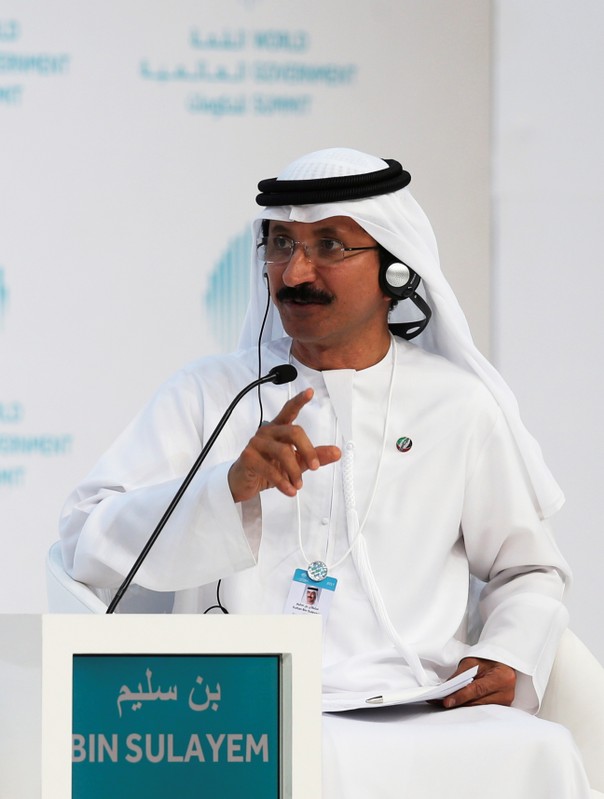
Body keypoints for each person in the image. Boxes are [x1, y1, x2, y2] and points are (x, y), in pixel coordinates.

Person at [60, 148, 591, 796]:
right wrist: (226, 486)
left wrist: (509, 650)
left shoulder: (457, 406)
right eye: (280, 244)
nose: (295, 271)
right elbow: (85, 542)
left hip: (418, 700)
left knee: (542, 753)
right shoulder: (208, 392)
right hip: (235, 705)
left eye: (329, 245)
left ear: (393, 266)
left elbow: (528, 567)